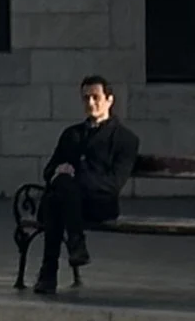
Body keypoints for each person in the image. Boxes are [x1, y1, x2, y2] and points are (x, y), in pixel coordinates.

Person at [31, 73, 138, 295]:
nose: (90, 103)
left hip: (98, 204)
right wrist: (59, 173)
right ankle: (76, 244)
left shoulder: (125, 139)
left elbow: (114, 183)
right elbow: (49, 170)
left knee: (57, 197)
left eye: (96, 97)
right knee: (59, 190)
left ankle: (48, 273)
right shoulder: (71, 134)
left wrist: (74, 177)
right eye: (86, 98)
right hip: (68, 203)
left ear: (109, 100)